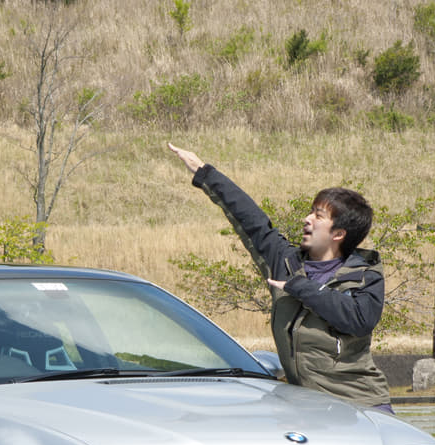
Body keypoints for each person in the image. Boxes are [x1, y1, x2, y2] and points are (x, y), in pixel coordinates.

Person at [168, 143, 393, 412]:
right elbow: (251, 218)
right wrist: (204, 173)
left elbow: (359, 319)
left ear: (338, 234)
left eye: (318, 216)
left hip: (361, 405)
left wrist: (299, 287)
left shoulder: (364, 274)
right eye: (310, 211)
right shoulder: (286, 262)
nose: (306, 219)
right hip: (307, 404)